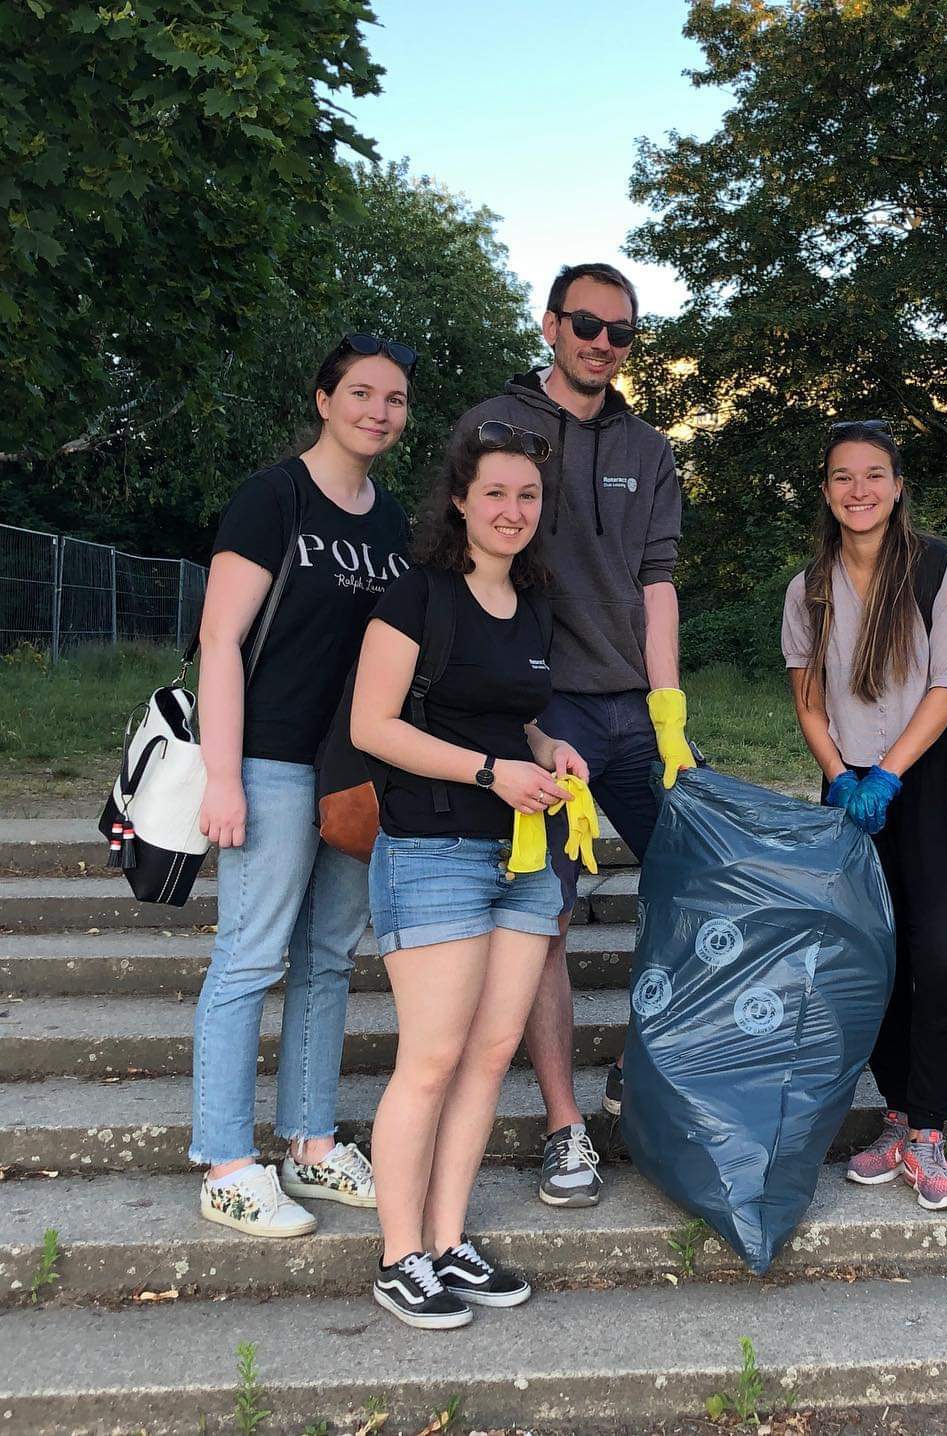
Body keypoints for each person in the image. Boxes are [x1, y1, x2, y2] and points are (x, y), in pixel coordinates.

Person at [446, 262, 692, 1209]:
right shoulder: (493, 426)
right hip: (547, 713)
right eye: (586, 324)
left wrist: (669, 709)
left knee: (704, 884)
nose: (603, 342)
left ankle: (642, 1065)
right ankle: (564, 1127)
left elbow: (658, 580)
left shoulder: (650, 447)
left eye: (621, 331)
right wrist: (506, 711)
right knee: (543, 915)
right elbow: (462, 565)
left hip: (638, 708)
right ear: (551, 325)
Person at [351, 419, 587, 1329]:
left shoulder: (533, 601)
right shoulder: (418, 594)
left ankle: (448, 1242)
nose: (511, 510)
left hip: (521, 858)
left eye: (527, 495)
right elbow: (374, 725)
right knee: (432, 1059)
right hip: (432, 852)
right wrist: (492, 773)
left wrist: (549, 749)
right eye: (495, 493)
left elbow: (512, 717)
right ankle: (398, 1256)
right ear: (460, 500)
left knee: (490, 1056)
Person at [194, 334, 414, 1236]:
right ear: (324, 400)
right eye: (361, 393)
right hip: (270, 759)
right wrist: (223, 776)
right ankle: (225, 1163)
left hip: (352, 771)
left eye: (394, 399)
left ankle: (311, 1144)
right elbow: (219, 640)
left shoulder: (392, 521)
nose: (378, 411)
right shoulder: (273, 497)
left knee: (328, 957)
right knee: (250, 956)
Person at [782, 421, 947, 1211]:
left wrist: (889, 775)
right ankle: (897, 1115)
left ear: (898, 486)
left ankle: (931, 1132)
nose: (859, 490)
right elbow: (809, 701)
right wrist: (842, 777)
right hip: (851, 786)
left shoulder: (941, 568)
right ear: (826, 490)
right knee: (872, 956)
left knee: (942, 950)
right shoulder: (808, 588)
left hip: (936, 775)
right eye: (843, 476)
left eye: (874, 474)